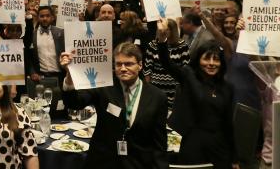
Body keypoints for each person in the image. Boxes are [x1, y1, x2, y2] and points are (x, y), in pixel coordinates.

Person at [60, 42, 168, 169]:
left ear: (140, 65)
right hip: (103, 162)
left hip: (138, 163)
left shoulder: (157, 97)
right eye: (118, 64)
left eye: (128, 64)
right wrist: (69, 74)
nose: (123, 68)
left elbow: (159, 143)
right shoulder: (103, 86)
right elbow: (75, 103)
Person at [159, 25, 238, 168]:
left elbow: (228, 123)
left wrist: (234, 157)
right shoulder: (188, 75)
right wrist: (162, 40)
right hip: (191, 140)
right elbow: (167, 63)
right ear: (198, 60)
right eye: (207, 59)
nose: (211, 64)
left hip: (218, 144)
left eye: (216, 60)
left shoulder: (227, 88)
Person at [144, 18, 189, 107]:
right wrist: (147, 88)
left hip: (174, 87)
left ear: (173, 30)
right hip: (156, 86)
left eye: (167, 29)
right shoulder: (153, 45)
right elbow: (147, 67)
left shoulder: (182, 45)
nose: (164, 31)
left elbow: (186, 67)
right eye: (162, 29)